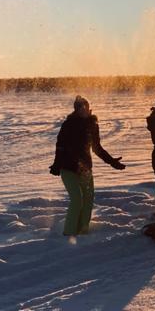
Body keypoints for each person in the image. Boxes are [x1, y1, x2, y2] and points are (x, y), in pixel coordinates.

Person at [50, 95, 126, 236]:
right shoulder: (68, 125)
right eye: (80, 108)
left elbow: (97, 148)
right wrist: (56, 165)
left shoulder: (92, 125)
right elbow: (60, 146)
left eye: (85, 106)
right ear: (76, 110)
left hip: (85, 168)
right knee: (77, 199)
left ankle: (83, 230)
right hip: (68, 168)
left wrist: (112, 162)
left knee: (88, 199)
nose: (84, 109)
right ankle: (69, 233)